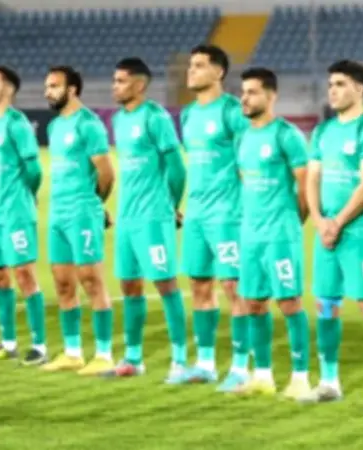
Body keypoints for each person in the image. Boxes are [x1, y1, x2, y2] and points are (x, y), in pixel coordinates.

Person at [301, 60, 363, 410]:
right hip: (326, 233)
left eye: (340, 84)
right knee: (326, 305)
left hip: (358, 234)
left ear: (360, 88)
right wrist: (318, 220)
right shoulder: (323, 131)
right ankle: (329, 382)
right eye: (331, 84)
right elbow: (312, 178)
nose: (333, 90)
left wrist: (336, 222)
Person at [174, 45, 250, 390]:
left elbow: (248, 163)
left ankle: (241, 367)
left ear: (219, 72)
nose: (191, 70)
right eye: (191, 65)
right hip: (197, 214)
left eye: (200, 65)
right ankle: (205, 364)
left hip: (228, 215)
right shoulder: (188, 114)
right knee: (199, 285)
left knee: (234, 287)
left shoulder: (233, 111)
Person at [233, 67, 312, 399]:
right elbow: (245, 182)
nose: (244, 98)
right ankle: (263, 376)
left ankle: (300, 378)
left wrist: (292, 223)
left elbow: (306, 186)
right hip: (251, 235)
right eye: (243, 92)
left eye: (252, 92)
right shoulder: (243, 137)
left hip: (280, 235)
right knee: (253, 303)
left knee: (290, 302)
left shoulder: (287, 135)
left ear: (271, 96)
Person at [107, 57, 188, 379]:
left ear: (139, 85)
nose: (115, 87)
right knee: (129, 285)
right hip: (126, 218)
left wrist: (171, 205)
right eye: (114, 81)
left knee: (166, 284)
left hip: (153, 216)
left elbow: (177, 168)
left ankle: (179, 359)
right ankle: (133, 358)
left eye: (121, 81)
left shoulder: (156, 117)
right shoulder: (119, 119)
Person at [40, 65, 116, 375]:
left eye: (54, 86)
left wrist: (94, 206)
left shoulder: (89, 124)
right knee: (62, 283)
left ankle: (104, 354)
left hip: (82, 212)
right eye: (47, 86)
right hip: (57, 213)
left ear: (72, 89)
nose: (47, 92)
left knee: (91, 280)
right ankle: (72, 352)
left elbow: (106, 173)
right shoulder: (55, 126)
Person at [0, 65, 47, 365]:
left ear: (8, 89)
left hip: (15, 214)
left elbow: (34, 169)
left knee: (25, 275)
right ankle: (9, 343)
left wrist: (26, 196)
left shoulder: (17, 124)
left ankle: (39, 346)